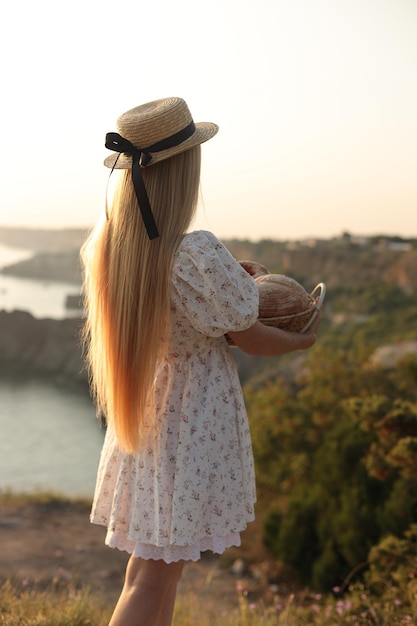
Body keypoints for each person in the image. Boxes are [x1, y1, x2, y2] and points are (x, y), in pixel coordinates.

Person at [81, 97, 322, 626]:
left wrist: (229, 278)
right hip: (192, 424)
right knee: (153, 578)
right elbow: (252, 337)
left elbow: (180, 308)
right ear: (184, 171)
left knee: (150, 572)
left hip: (147, 412)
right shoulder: (195, 251)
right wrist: (301, 341)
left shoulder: (114, 249)